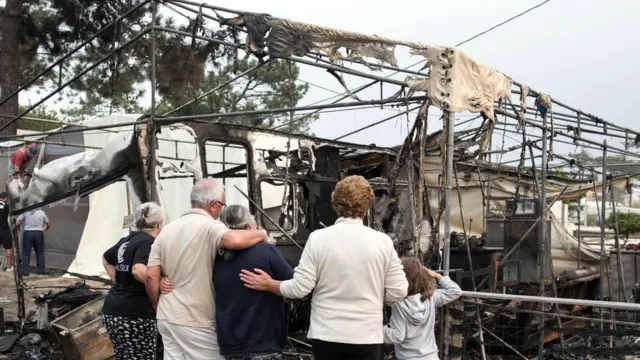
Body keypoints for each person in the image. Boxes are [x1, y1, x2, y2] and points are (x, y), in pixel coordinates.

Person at [240, 175, 409, 360]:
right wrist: (375, 296)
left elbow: (299, 289)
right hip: (366, 336)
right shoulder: (382, 242)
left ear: (336, 204)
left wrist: (269, 284)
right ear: (368, 206)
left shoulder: (318, 239)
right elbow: (399, 291)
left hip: (327, 336)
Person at [146, 179, 270, 360]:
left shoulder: (167, 230)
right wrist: (261, 234)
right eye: (222, 205)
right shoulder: (209, 226)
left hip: (167, 316)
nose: (221, 210)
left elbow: (151, 275)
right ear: (213, 205)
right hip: (195, 319)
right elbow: (234, 241)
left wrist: (157, 304)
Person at [161, 205, 294, 360]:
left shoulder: (214, 257)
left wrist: (161, 279)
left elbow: (183, 273)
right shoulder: (266, 250)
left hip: (229, 345)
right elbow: (295, 286)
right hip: (263, 342)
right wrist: (270, 284)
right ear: (250, 225)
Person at [101, 202, 165, 360]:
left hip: (112, 311)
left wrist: (119, 280)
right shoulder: (149, 243)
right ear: (159, 223)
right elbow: (138, 270)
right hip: (135, 315)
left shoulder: (127, 240)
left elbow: (105, 259)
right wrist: (158, 282)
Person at [382, 258, 462, 360]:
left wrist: (378, 328)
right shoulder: (430, 298)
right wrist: (437, 275)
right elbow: (455, 291)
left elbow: (397, 336)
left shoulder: (398, 305)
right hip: (431, 356)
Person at [16, 208, 50, 276]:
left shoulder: (25, 211)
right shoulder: (42, 212)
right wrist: (44, 229)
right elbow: (49, 224)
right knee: (40, 253)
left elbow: (18, 222)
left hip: (28, 233)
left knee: (26, 253)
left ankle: (25, 272)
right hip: (39, 233)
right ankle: (41, 272)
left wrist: (18, 228)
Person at [0, 193, 13, 272]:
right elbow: (11, 215)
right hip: (4, 229)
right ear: (4, 198)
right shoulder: (6, 206)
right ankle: (8, 266)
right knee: (8, 247)